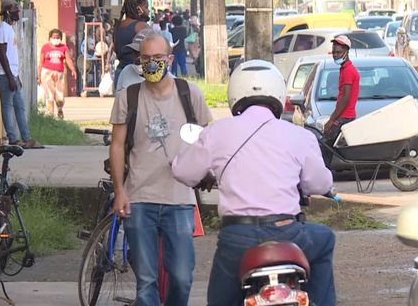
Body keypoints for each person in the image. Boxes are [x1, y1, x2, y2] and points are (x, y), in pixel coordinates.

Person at [171, 60, 336, 306]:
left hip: (237, 237)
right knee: (325, 239)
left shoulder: (217, 132)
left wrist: (210, 175)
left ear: (235, 93)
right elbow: (320, 184)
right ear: (278, 94)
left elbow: (182, 171)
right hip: (289, 233)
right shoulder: (299, 135)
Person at [109, 31, 213, 305]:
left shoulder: (190, 93)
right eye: (146, 58)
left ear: (169, 58)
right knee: (147, 282)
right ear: (138, 61)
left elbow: (209, 138)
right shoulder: (128, 97)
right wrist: (120, 191)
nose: (152, 64)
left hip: (179, 200)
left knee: (181, 276)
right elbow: (117, 146)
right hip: (139, 200)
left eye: (157, 58)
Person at [0, 0, 40, 148]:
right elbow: (2, 54)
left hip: (13, 74)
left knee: (19, 107)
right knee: (7, 107)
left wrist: (15, 76)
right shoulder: (2, 29)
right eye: (15, 10)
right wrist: (10, 77)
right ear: (8, 11)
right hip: (5, 75)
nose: (18, 13)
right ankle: (13, 139)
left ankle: (26, 138)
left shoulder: (9, 28)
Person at [323, 35, 360, 160]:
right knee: (328, 146)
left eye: (338, 52)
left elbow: (345, 98)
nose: (335, 55)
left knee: (325, 146)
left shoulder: (348, 70)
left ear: (346, 52)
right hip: (344, 115)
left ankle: (324, 175)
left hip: (344, 116)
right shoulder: (344, 69)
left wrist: (332, 120)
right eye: (333, 52)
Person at [110, 0, 150, 88]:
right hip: (136, 75)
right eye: (146, 7)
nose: (148, 11)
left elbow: (115, 48)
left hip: (120, 73)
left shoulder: (117, 26)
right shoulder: (141, 26)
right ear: (139, 9)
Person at [37, 28, 77, 120]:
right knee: (49, 96)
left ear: (61, 38)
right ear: (50, 38)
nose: (55, 39)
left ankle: (60, 109)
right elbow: (41, 63)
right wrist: (38, 76)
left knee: (60, 97)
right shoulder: (45, 47)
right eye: (54, 37)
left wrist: (73, 70)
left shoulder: (64, 48)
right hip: (47, 74)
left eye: (58, 37)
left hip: (59, 74)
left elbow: (68, 59)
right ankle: (50, 117)